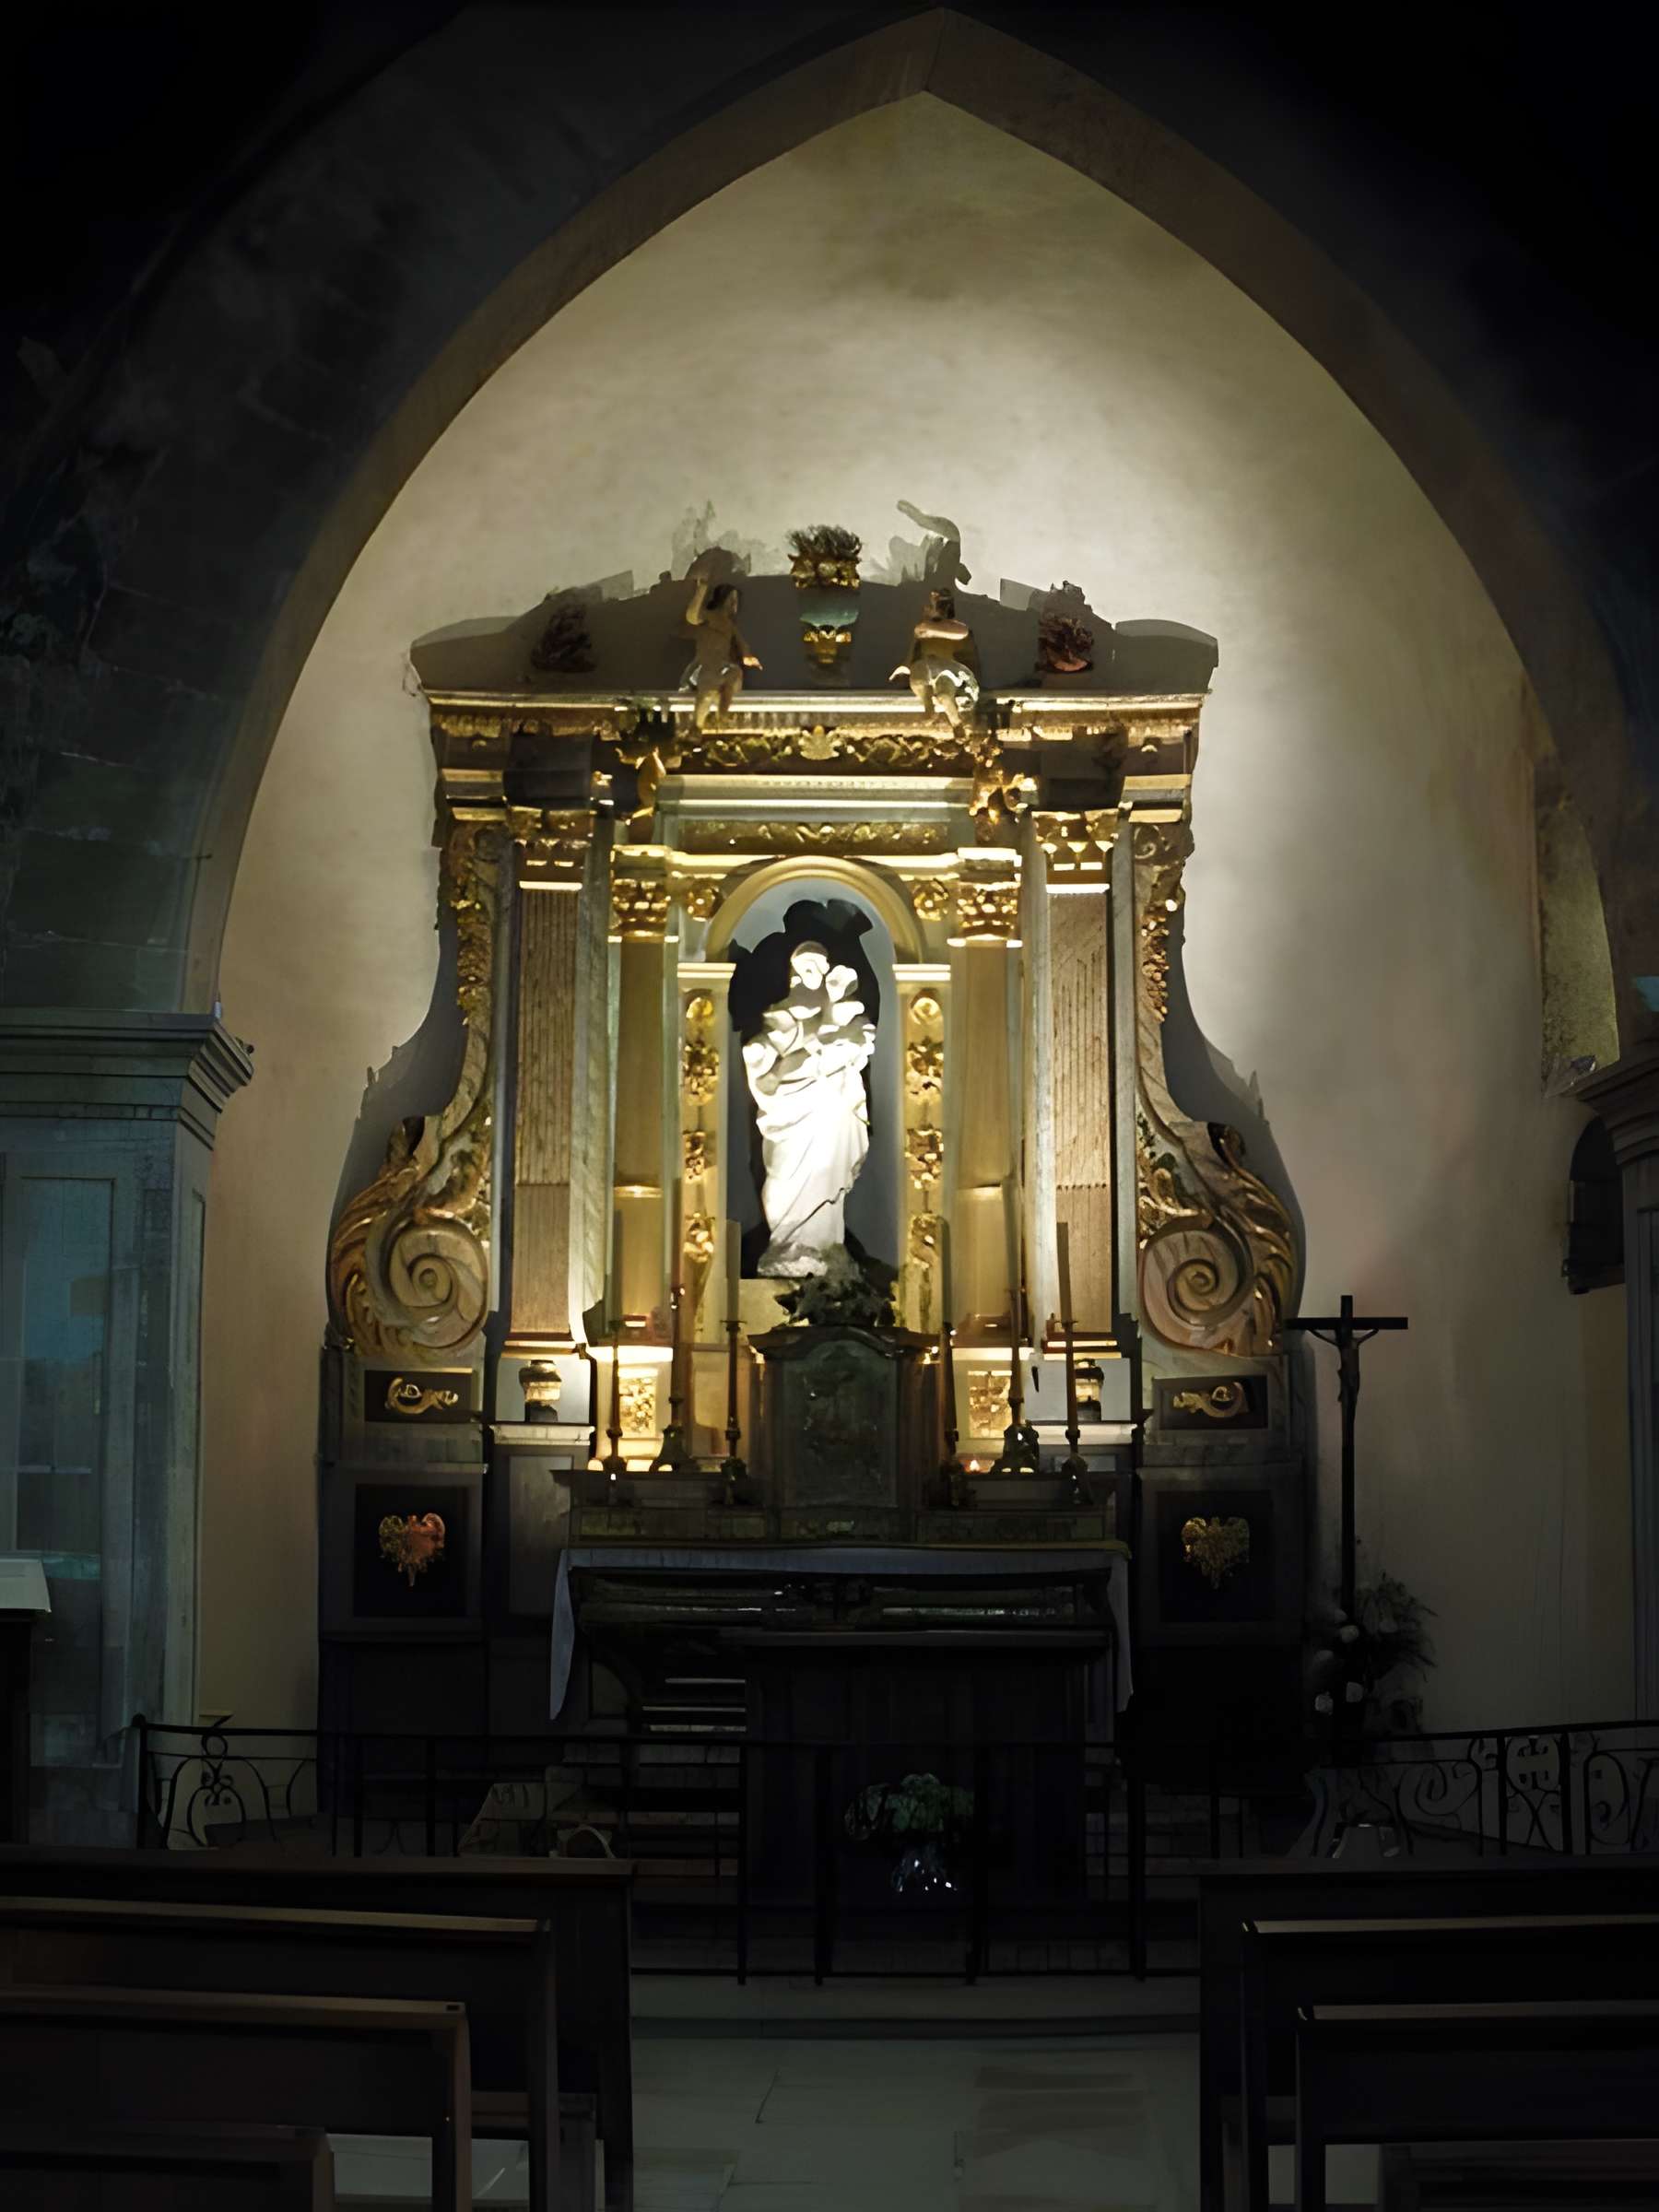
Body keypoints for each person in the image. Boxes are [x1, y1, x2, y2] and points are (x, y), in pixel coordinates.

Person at [742, 943, 877, 1276]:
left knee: (826, 1170)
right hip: (789, 1101)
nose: (810, 972)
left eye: (816, 965)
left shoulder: (839, 1006)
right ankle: (785, 1243)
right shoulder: (784, 1013)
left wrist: (836, 1042)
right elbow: (766, 1045)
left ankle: (823, 1246)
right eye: (804, 966)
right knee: (781, 1180)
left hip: (826, 1101)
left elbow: (857, 1043)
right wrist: (760, 1051)